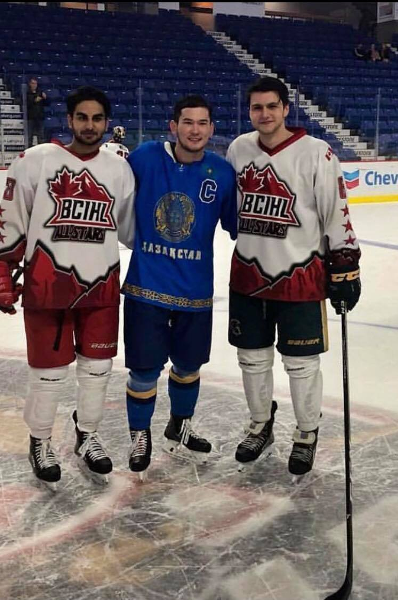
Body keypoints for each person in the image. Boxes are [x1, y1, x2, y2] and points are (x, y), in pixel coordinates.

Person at [0, 86, 135, 486]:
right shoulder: (36, 161)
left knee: (98, 369)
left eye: (97, 118)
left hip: (101, 285)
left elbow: (131, 228)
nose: (89, 125)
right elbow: (12, 217)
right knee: (48, 373)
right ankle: (41, 439)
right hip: (48, 285)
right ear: (69, 120)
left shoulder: (119, 169)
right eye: (82, 117)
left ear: (107, 123)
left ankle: (88, 435)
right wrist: (2, 265)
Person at [225, 77, 361, 480]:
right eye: (257, 107)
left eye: (272, 106)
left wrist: (345, 265)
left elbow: (336, 212)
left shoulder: (316, 152)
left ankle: (306, 432)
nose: (264, 114)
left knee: (301, 364)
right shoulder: (238, 149)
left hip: (300, 275)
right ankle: (260, 425)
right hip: (248, 274)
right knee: (251, 359)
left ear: (286, 108)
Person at [121, 95, 238, 477]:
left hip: (195, 292)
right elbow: (109, 192)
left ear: (211, 129)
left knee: (189, 366)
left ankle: (179, 424)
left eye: (202, 123)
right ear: (173, 126)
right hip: (146, 287)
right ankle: (140, 434)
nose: (195, 130)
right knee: (143, 370)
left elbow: (239, 226)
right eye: (188, 122)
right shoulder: (145, 157)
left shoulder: (221, 173)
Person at [26, 77, 48, 146]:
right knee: (30, 135)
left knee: (41, 135)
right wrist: (35, 100)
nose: (34, 85)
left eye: (35, 84)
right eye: (33, 83)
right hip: (31, 117)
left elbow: (47, 104)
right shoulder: (27, 93)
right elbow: (27, 104)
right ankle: (29, 149)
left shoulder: (40, 92)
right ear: (30, 84)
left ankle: (40, 150)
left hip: (40, 117)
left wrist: (45, 98)